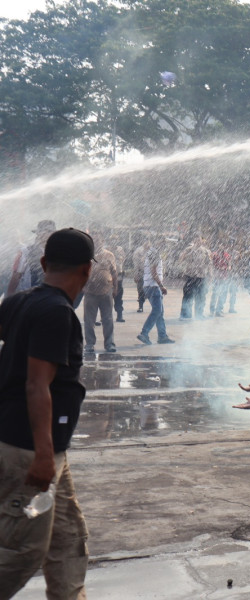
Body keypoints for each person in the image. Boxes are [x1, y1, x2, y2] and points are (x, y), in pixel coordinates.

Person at [0, 227, 94, 599]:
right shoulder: (57, 313)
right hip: (30, 449)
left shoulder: (20, 301)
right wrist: (41, 455)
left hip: (48, 449)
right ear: (87, 270)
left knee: (68, 538)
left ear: (43, 263)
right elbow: (37, 385)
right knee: (24, 550)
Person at [82, 231, 118, 353]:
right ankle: (89, 344)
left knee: (107, 319)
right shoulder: (85, 254)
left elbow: (114, 272)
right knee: (89, 320)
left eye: (98, 240)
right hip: (90, 292)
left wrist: (115, 288)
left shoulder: (109, 255)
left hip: (106, 291)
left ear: (103, 241)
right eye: (94, 240)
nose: (96, 242)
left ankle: (109, 344)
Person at [137, 236, 175, 345]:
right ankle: (144, 333)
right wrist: (161, 285)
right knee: (157, 311)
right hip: (153, 286)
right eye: (163, 243)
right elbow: (154, 272)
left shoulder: (151, 253)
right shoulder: (155, 254)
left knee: (160, 312)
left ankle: (162, 336)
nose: (165, 246)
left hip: (149, 285)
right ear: (158, 243)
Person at [5, 219, 55, 296]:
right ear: (38, 233)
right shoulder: (26, 251)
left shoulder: (56, 253)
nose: (47, 234)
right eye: (45, 231)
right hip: (27, 296)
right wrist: (8, 297)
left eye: (50, 232)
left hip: (48, 298)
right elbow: (16, 276)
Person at [178, 232, 212, 320]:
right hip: (191, 276)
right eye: (196, 240)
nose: (198, 241)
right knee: (188, 295)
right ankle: (185, 315)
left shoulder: (205, 251)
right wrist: (183, 270)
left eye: (199, 240)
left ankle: (199, 314)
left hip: (201, 276)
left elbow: (209, 264)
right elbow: (181, 259)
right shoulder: (189, 249)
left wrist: (210, 275)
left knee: (201, 296)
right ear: (194, 240)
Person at [132, 238, 150, 313]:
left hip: (150, 274)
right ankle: (140, 306)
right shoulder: (138, 252)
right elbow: (136, 264)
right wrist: (136, 274)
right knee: (140, 290)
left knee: (151, 291)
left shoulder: (153, 251)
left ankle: (155, 307)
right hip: (141, 273)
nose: (147, 244)